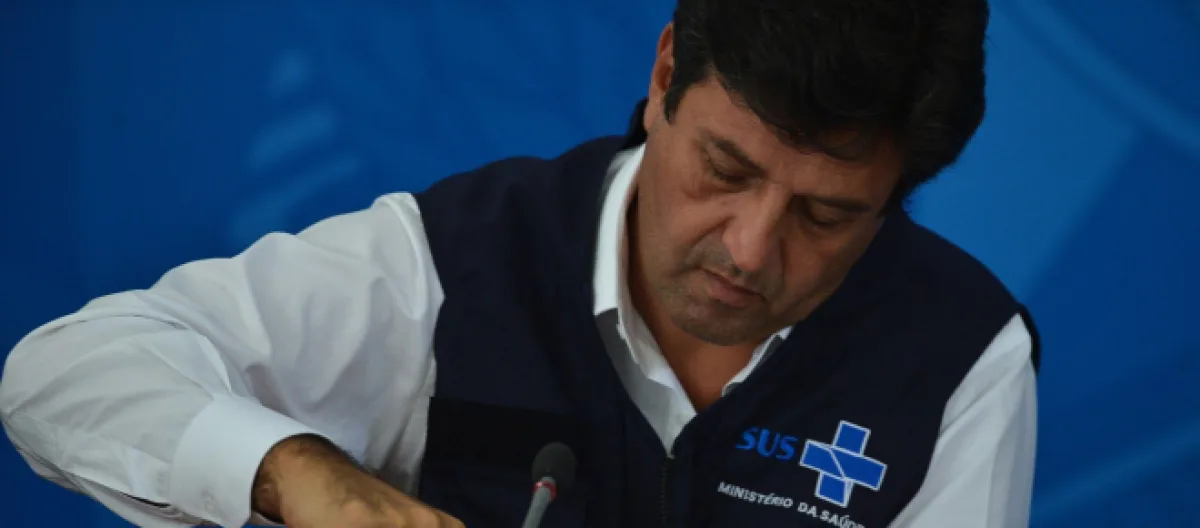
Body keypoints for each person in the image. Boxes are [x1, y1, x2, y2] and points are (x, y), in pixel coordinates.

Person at [0, 0, 1039, 526]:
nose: (749, 248)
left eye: (826, 214)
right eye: (724, 169)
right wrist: (306, 478)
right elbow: (67, 371)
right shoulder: (460, 257)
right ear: (665, 74)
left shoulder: (959, 355)